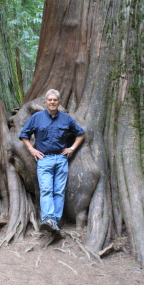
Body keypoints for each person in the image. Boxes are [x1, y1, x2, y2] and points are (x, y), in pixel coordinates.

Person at [19, 89, 85, 233]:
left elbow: (80, 134)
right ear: (45, 102)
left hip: (61, 159)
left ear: (59, 102)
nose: (52, 102)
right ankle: (48, 218)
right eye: (50, 100)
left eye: (55, 100)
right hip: (44, 159)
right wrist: (32, 150)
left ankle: (53, 222)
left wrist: (72, 148)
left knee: (59, 192)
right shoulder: (37, 117)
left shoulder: (66, 118)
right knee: (46, 189)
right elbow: (24, 135)